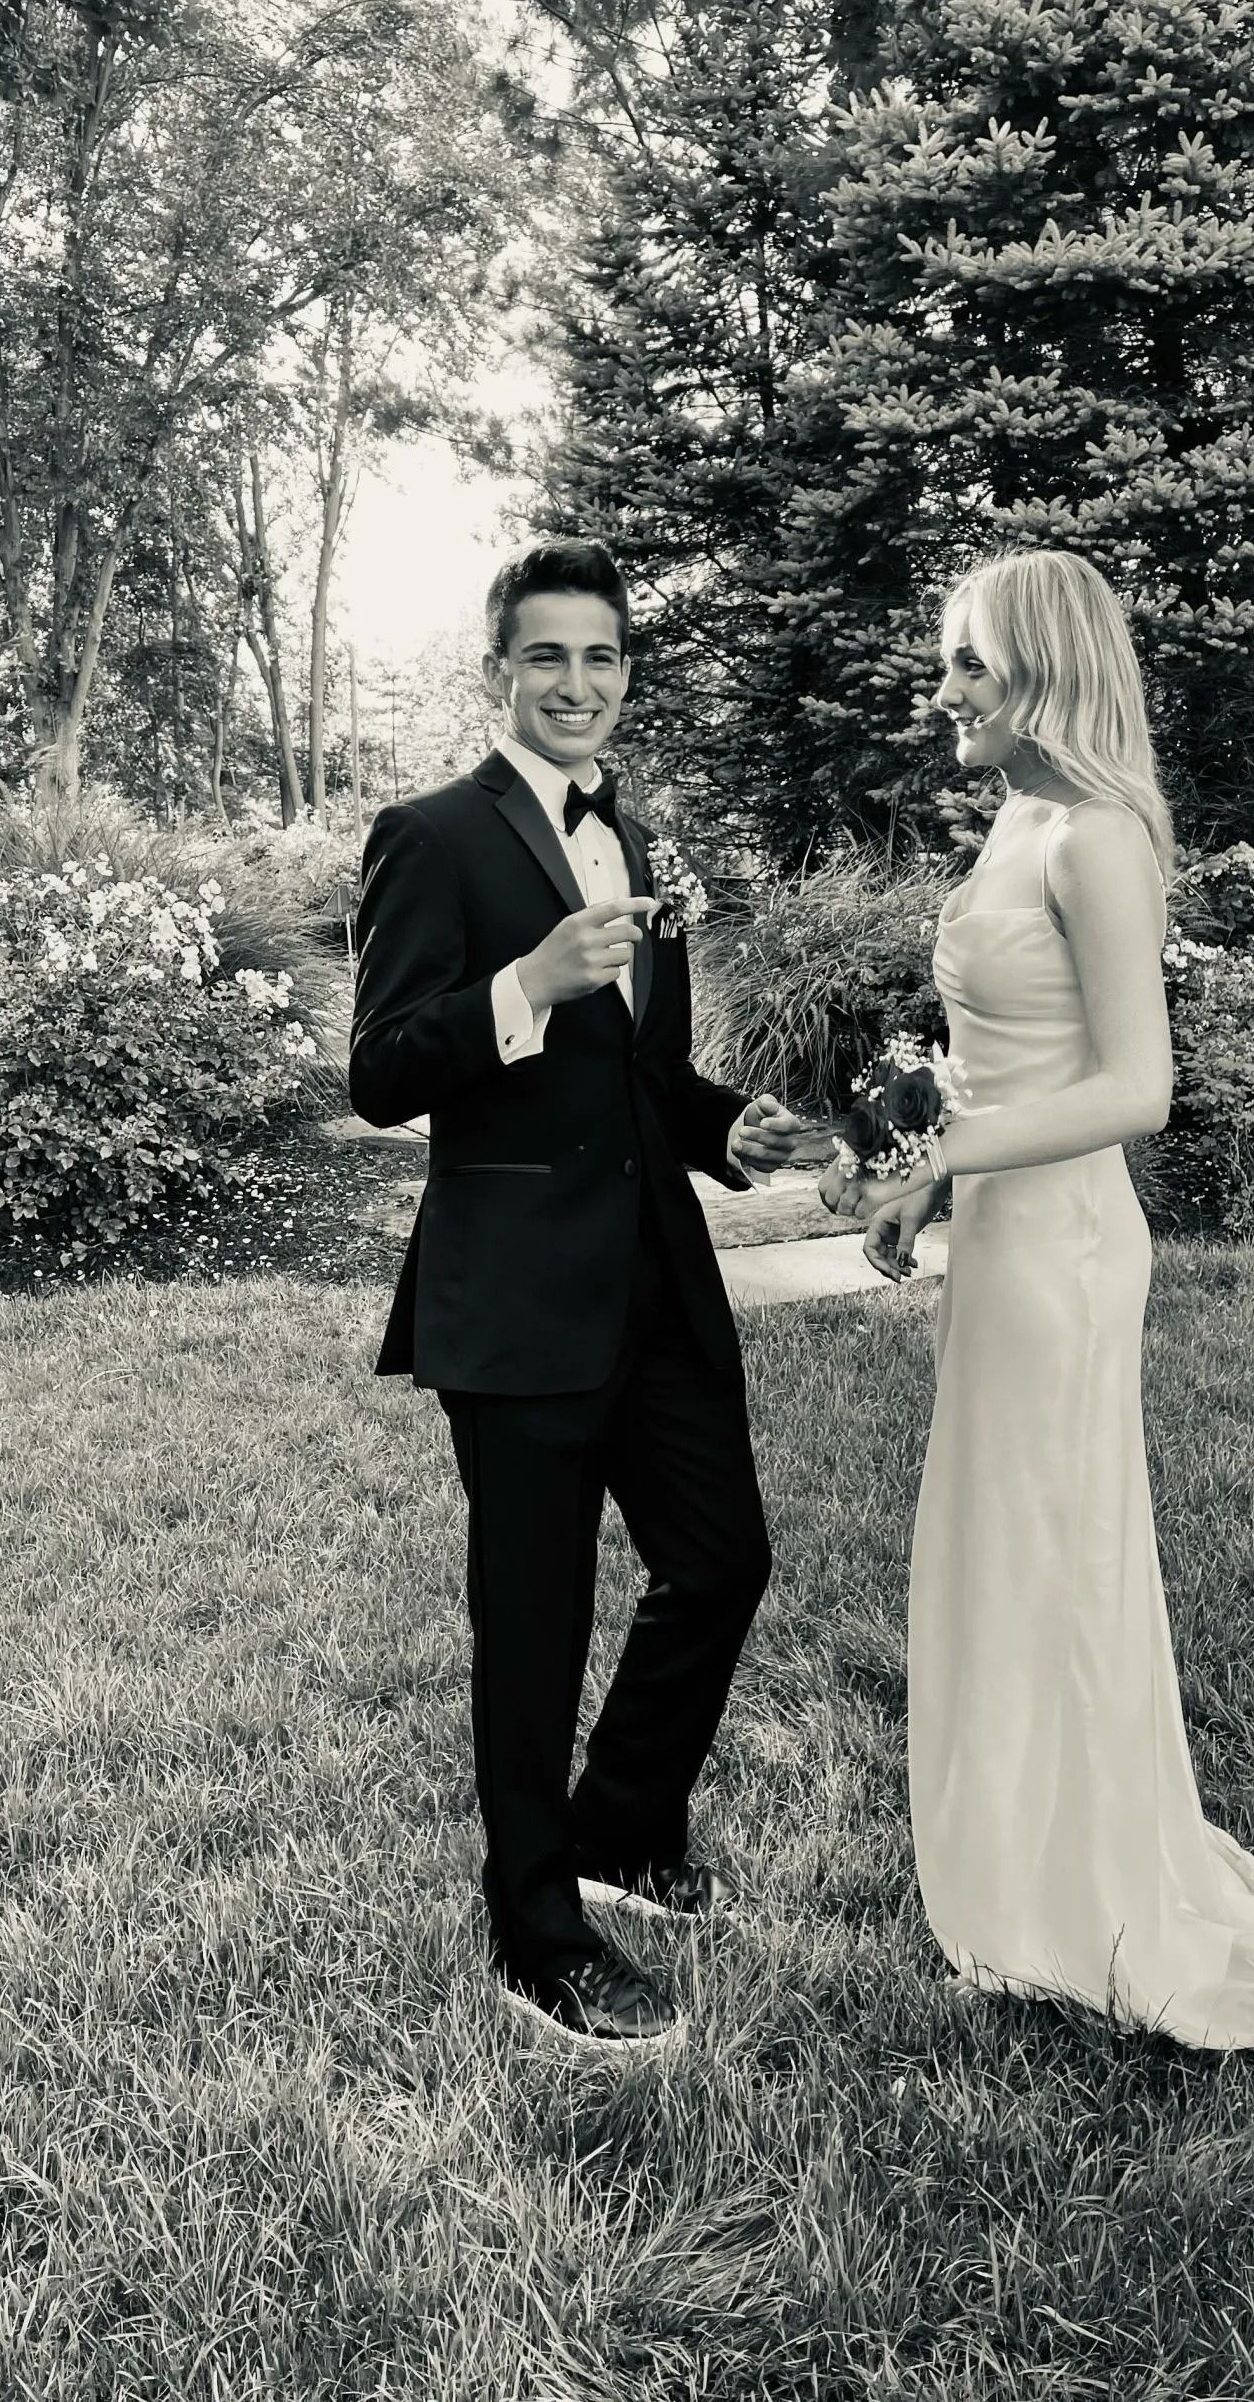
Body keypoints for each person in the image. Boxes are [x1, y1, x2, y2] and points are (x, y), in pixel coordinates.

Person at [833, 548, 1254, 2050]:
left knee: (1056, 1551)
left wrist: (948, 1149)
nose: (944, 691)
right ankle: (1017, 1855)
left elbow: (1138, 1090)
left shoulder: (1098, 835)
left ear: (1047, 664)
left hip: (1066, 1253)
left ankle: (1083, 1888)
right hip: (1005, 1238)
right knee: (1009, 1543)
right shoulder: (1019, 818)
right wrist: (922, 1162)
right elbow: (1007, 1055)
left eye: (971, 662)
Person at [349, 536, 804, 2051]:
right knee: (531, 1623)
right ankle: (534, 1932)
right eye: (548, 656)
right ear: (499, 674)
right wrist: (521, 989)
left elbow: (643, 1084)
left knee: (722, 1560)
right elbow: (380, 1072)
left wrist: (735, 1127)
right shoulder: (432, 836)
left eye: (602, 657)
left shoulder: (636, 839)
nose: (578, 684)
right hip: (517, 1301)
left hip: (660, 1289)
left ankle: (618, 1826)